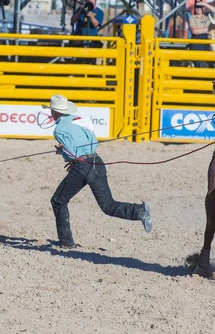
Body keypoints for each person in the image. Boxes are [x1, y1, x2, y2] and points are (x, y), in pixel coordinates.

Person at [43, 95, 153, 248]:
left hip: (82, 167)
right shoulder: (80, 120)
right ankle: (138, 211)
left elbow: (72, 152)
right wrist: (72, 157)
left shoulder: (59, 130)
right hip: (97, 162)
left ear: (55, 112)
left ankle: (66, 242)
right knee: (108, 205)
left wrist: (65, 155)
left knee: (58, 200)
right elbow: (91, 142)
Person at [189, 2, 211, 67]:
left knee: (205, 59)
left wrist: (206, 5)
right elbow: (194, 31)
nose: (198, 9)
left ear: (203, 9)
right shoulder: (192, 17)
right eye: (197, 7)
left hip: (206, 40)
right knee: (198, 60)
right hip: (196, 40)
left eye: (200, 7)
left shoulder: (207, 18)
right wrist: (206, 29)